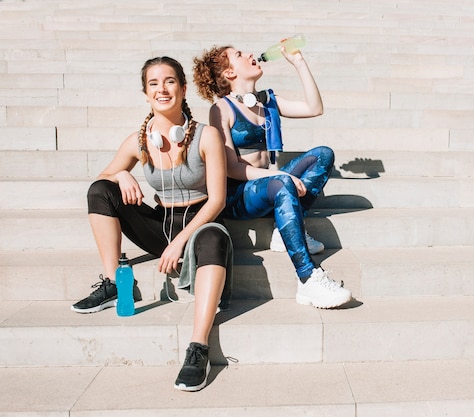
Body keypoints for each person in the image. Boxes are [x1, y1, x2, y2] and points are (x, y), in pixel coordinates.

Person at [71, 56, 230, 392]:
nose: (162, 89)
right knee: (101, 191)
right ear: (145, 93)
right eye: (154, 83)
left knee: (213, 240)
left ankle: (198, 347)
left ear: (183, 88)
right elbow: (103, 177)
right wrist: (122, 174)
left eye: (170, 81)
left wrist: (179, 242)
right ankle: (116, 283)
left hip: (201, 222)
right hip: (160, 224)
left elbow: (217, 200)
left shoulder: (207, 136)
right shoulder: (139, 140)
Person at [192, 44, 352, 309]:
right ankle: (307, 278)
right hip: (240, 195)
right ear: (230, 73)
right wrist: (277, 174)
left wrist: (299, 63)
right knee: (281, 181)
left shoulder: (268, 102)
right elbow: (231, 166)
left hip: (271, 184)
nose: (250, 54)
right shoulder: (222, 109)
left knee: (323, 154)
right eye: (240, 55)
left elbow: (315, 108)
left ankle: (285, 228)